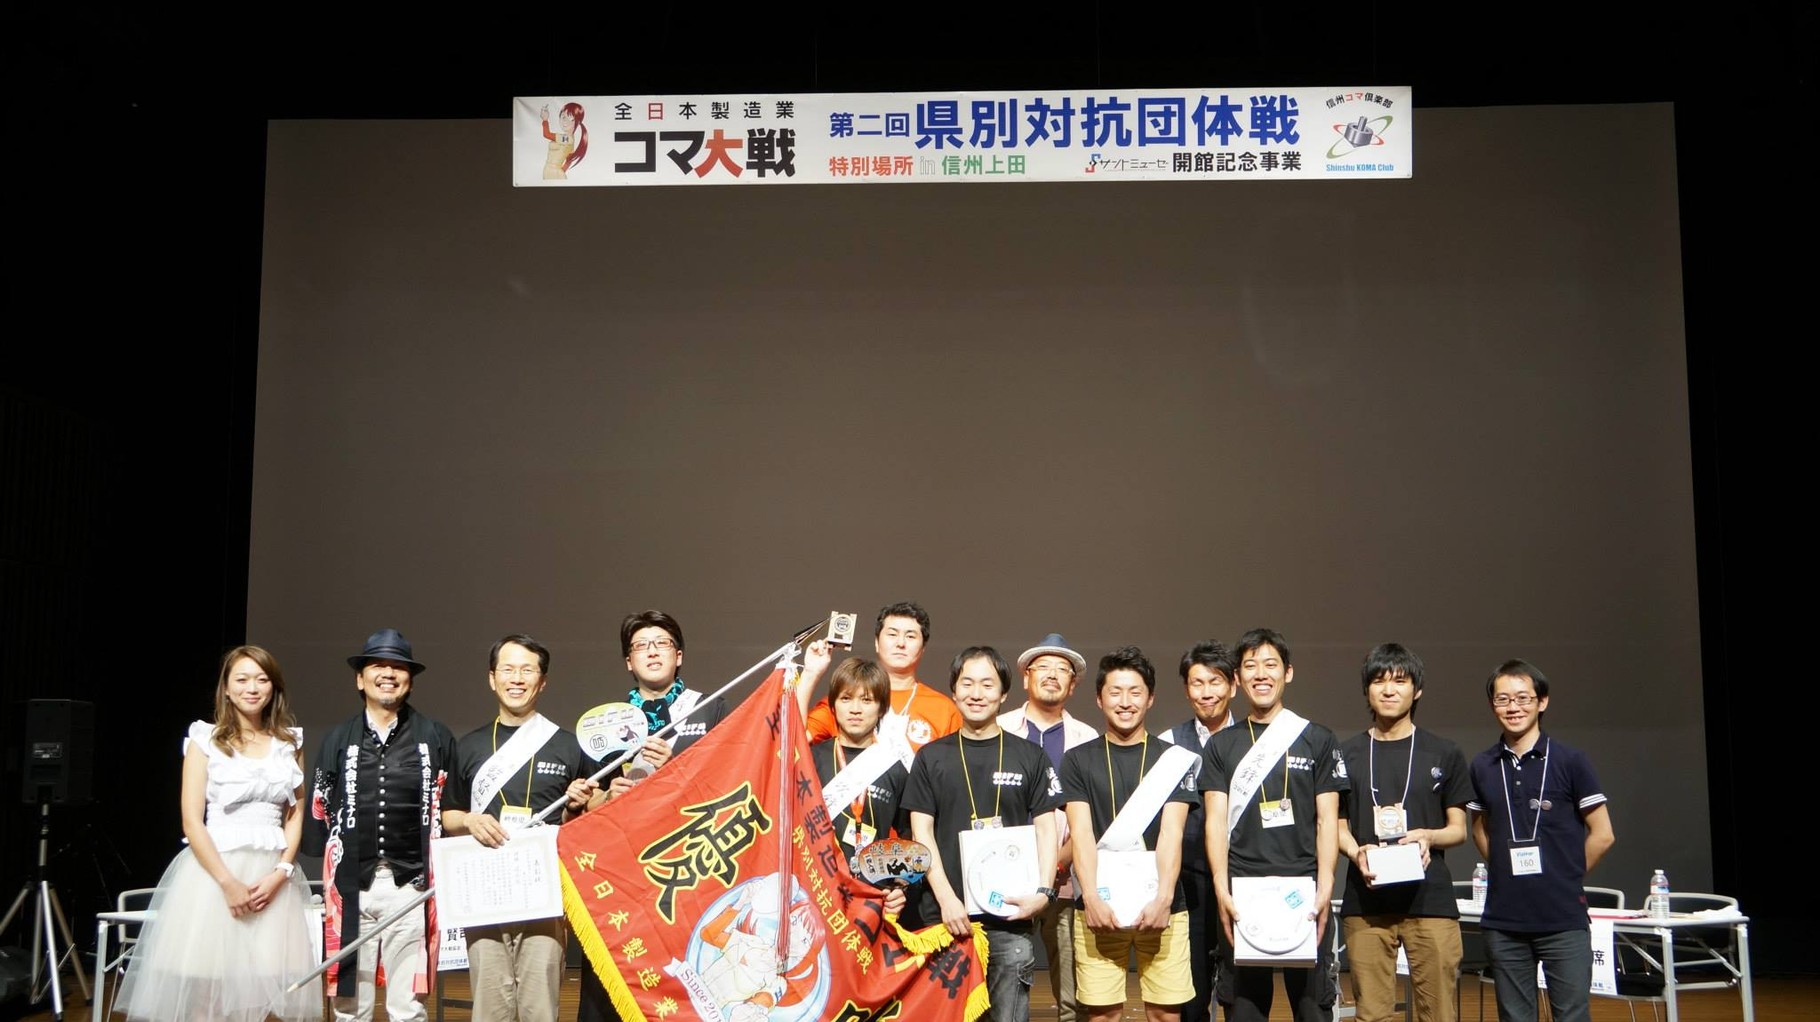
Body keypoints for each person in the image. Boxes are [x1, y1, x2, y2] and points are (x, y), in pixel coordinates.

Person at [115, 645, 321, 1022]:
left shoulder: (290, 743)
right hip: (214, 874)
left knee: (259, 988)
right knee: (207, 990)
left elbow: (295, 813)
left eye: (261, 679)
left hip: (270, 877)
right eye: (241, 679)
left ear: (274, 687)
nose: (252, 688)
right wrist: (228, 883)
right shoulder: (205, 739)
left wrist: (281, 871)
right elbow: (192, 820)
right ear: (226, 688)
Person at [442, 635, 620, 1022]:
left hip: (544, 893)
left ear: (543, 681)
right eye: (508, 669)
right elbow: (448, 815)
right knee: (490, 1008)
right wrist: (470, 820)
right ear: (492, 678)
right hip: (485, 892)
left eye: (527, 670)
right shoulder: (469, 746)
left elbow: (591, 815)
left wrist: (582, 802)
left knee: (540, 1007)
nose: (517, 678)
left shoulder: (569, 746)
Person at [305, 628, 459, 1022]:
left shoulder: (435, 737)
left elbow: (450, 804)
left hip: (412, 886)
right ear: (360, 679)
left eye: (398, 667)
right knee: (349, 1007)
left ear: (410, 680)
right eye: (378, 665)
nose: (388, 674)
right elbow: (322, 805)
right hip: (349, 888)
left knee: (408, 1008)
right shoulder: (338, 739)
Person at [901, 646, 1062, 1022]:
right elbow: (921, 832)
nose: (977, 693)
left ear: (1004, 694)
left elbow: (1046, 828)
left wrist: (1043, 893)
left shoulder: (1029, 756)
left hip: (1010, 920)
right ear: (954, 691)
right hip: (945, 919)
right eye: (967, 683)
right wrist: (947, 900)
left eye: (988, 685)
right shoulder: (931, 757)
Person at [1199, 628, 1348, 1022]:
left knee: (1313, 1009)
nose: (1261, 674)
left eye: (1271, 664)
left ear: (1288, 673)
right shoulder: (1221, 744)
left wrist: (1326, 886)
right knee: (1244, 1010)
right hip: (1242, 892)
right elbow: (1215, 823)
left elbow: (1327, 820)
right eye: (1250, 666)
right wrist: (1221, 889)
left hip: (1305, 891)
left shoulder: (1317, 738)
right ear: (1238, 678)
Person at [1467, 660, 1616, 1022]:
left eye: (1523, 698)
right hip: (1504, 921)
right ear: (1492, 705)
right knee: (1515, 1017)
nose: (1513, 707)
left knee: (1571, 1016)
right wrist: (1503, 870)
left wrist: (1566, 875)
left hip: (1563, 919)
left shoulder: (1570, 760)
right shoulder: (1483, 765)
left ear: (1542, 701)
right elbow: (1479, 829)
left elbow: (1603, 834)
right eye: (1503, 699)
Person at [1335, 644, 1473, 1022]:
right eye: (1379, 681)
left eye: (1400, 681)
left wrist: (1428, 836)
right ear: (1367, 690)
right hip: (1367, 903)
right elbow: (1336, 826)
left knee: (1438, 1013)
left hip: (1430, 901)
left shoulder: (1443, 752)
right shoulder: (1346, 754)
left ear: (1418, 689)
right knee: (1372, 1014)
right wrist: (1356, 852)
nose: (1389, 690)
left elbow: (1458, 829)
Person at [1061, 647, 1199, 1022]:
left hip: (1164, 905)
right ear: (1099, 698)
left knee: (1165, 1014)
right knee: (1102, 1015)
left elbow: (1172, 834)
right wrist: (1090, 897)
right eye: (1115, 692)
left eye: (1135, 692)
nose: (1125, 702)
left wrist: (1164, 899)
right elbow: (1081, 833)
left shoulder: (1173, 759)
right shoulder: (1077, 760)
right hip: (1098, 906)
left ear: (1150, 698)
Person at [998, 633, 1098, 1022]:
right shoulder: (999, 728)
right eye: (1043, 667)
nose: (1052, 675)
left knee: (1073, 991)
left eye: (1062, 670)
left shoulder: (1087, 739)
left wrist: (1057, 862)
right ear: (1026, 677)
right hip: (1003, 874)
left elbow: (1091, 818)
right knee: (1000, 979)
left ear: (1072, 686)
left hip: (1065, 878)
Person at [1157, 640, 1241, 1022]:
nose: (1206, 693)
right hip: (1188, 882)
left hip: (1242, 878)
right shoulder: (1169, 744)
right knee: (1191, 995)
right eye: (1197, 683)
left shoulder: (1256, 741)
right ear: (1186, 688)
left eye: (1215, 681)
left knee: (1241, 993)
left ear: (1233, 685)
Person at [795, 643, 910, 865]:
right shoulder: (813, 758)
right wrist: (810, 673)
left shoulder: (893, 767)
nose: (855, 709)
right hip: (819, 881)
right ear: (832, 706)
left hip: (873, 884)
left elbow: (910, 835)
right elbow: (790, 741)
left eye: (866, 700)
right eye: (846, 699)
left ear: (882, 708)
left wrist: (901, 881)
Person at [806, 601, 961, 754]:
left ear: (923, 648)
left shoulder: (944, 709)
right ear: (876, 643)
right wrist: (810, 674)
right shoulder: (847, 701)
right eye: (892, 634)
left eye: (910, 636)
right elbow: (797, 742)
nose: (901, 643)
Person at [620, 609, 725, 773]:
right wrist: (609, 789)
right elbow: (596, 783)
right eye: (641, 645)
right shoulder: (614, 720)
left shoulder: (710, 708)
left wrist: (673, 768)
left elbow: (727, 774)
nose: (652, 652)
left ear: (678, 656)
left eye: (662, 643)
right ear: (629, 662)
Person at [539, 102, 588, 179]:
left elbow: (546, 134)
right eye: (564, 117)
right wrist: (560, 172)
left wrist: (545, 120)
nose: (566, 122)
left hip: (554, 173)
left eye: (572, 119)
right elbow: (569, 161)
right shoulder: (569, 139)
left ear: (577, 122)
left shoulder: (568, 139)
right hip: (551, 173)